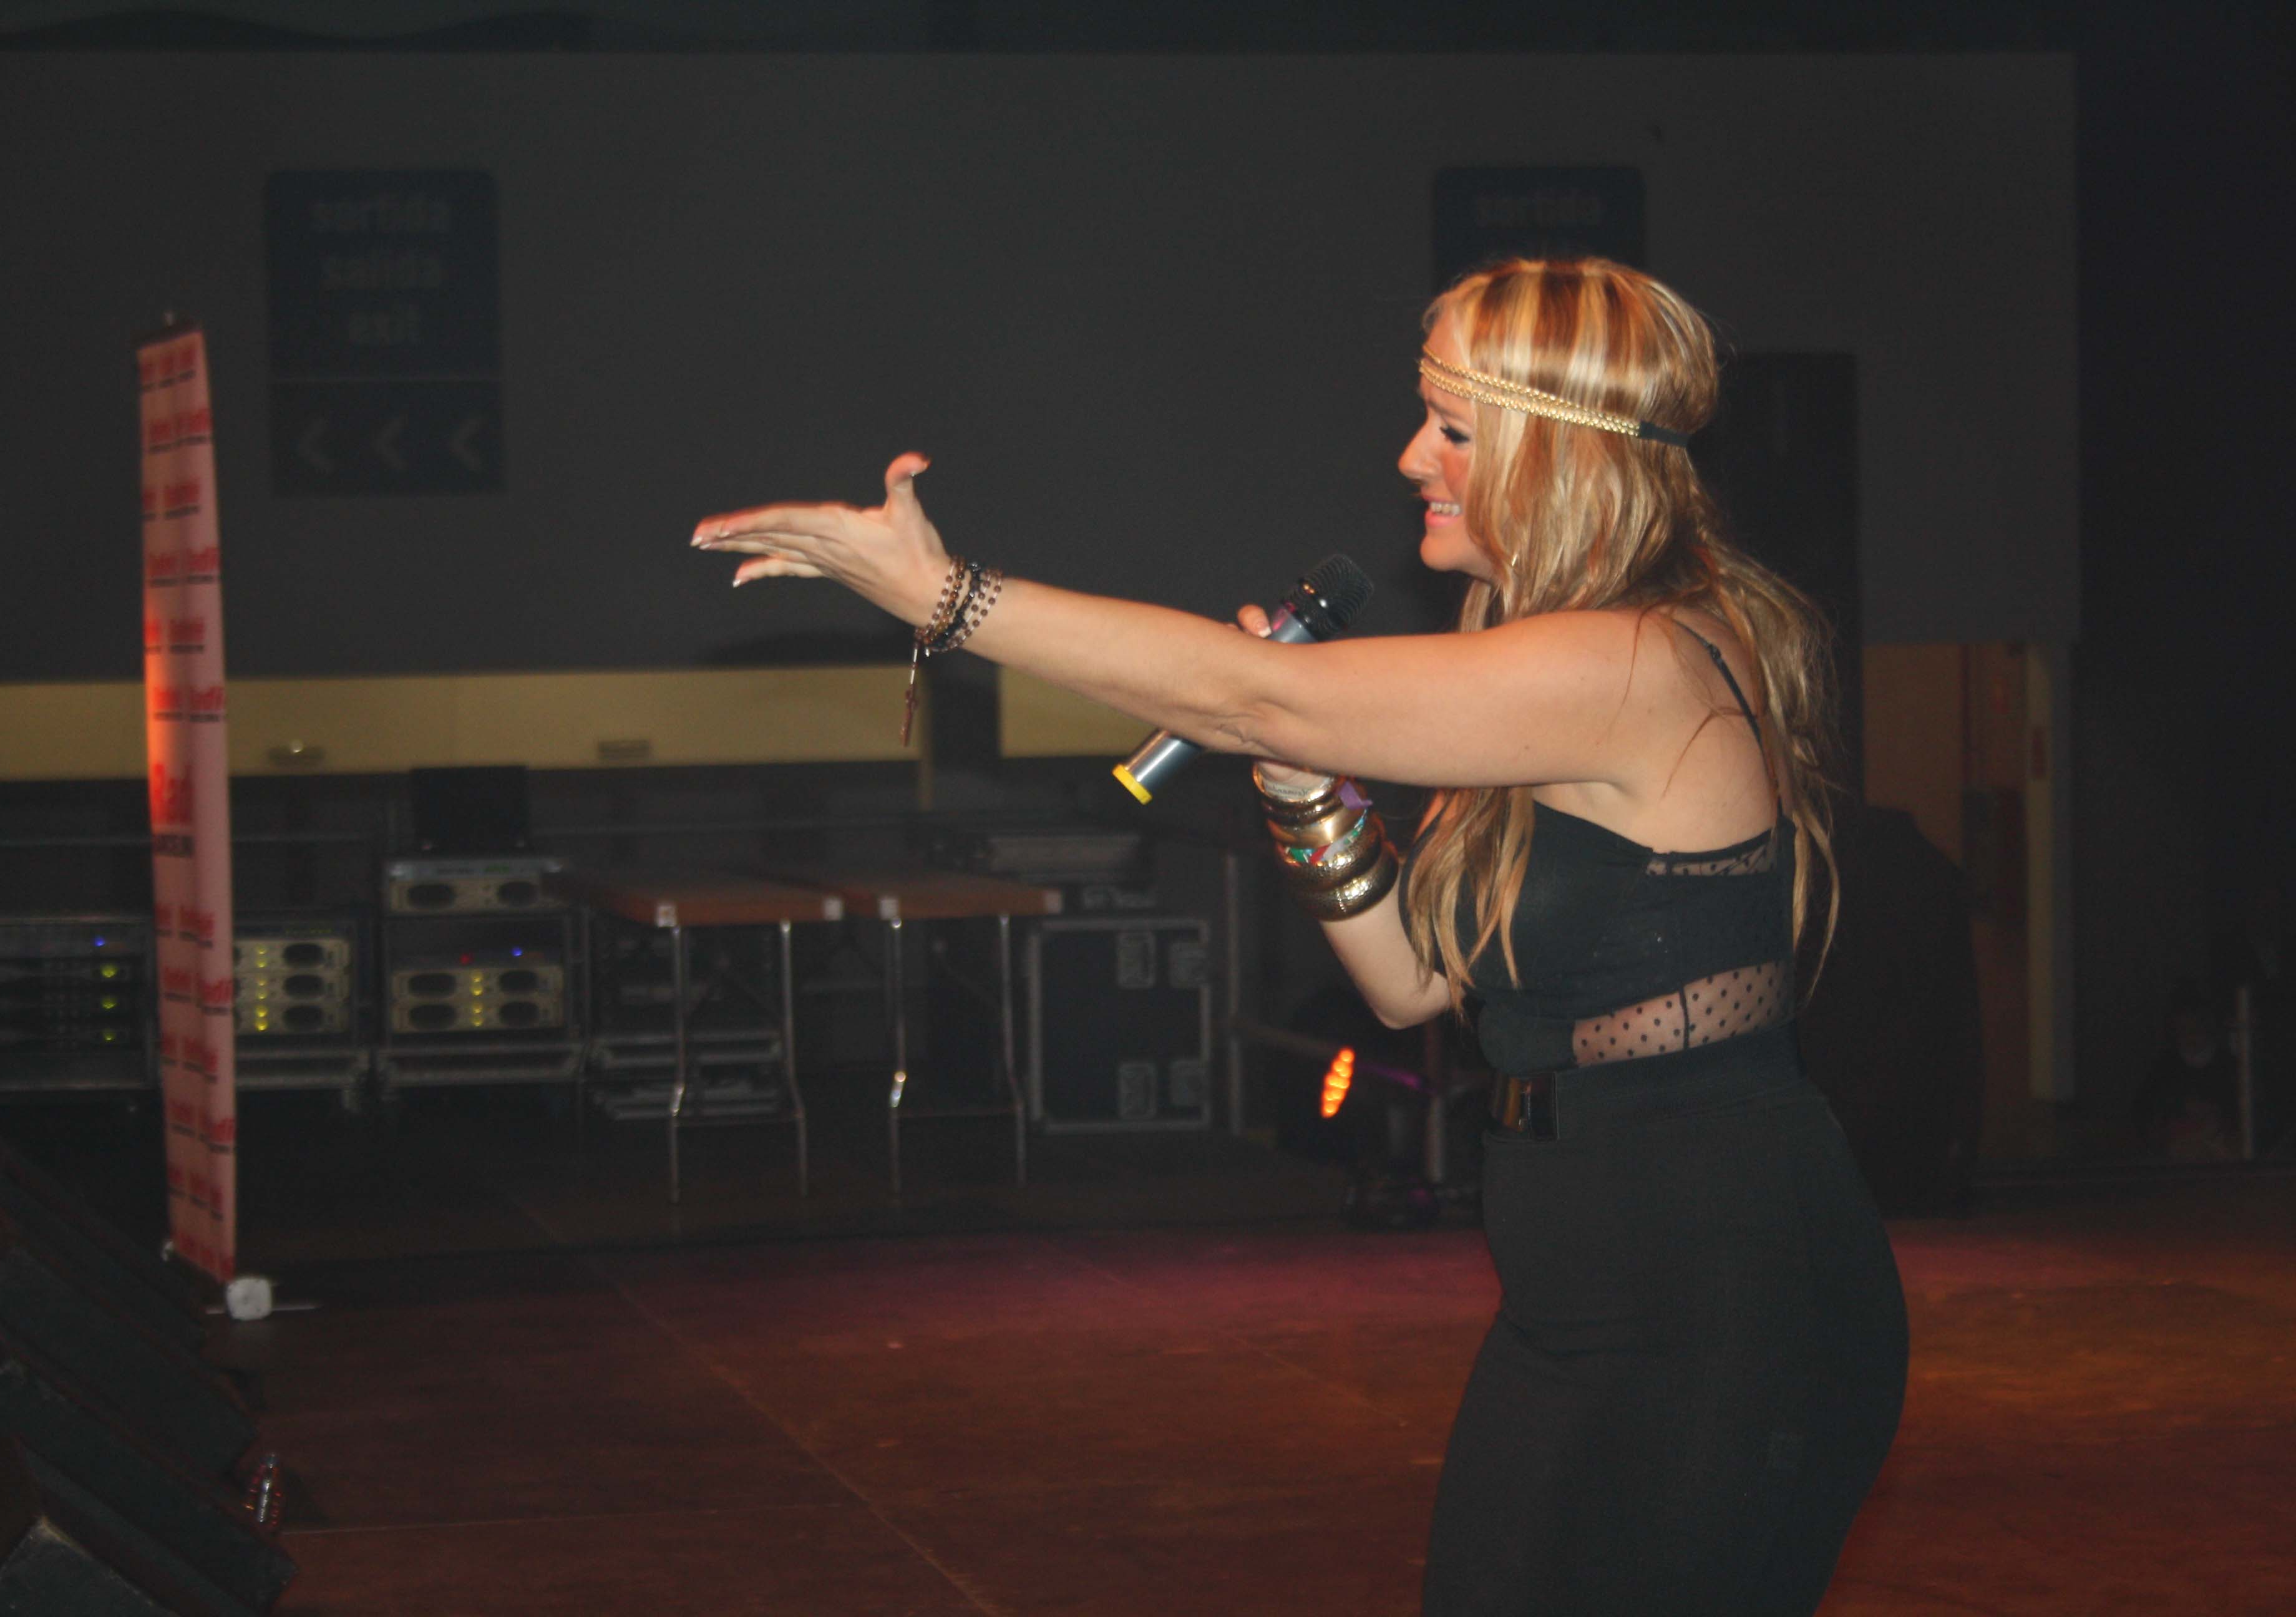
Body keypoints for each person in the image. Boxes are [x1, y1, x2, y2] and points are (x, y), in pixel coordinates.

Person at [694, 256, 1909, 1616]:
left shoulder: (1632, 663)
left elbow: (1256, 695)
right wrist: (1299, 783)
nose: (1411, 459)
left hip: (1724, 1289)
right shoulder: (1542, 663)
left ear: (1559, 451)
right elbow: (1408, 983)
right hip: (1585, 1282)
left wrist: (948, 596)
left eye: (1452, 429)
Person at [2134, 976, 2241, 1160]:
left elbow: (2242, 1113)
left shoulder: (2229, 1066)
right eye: (2183, 1030)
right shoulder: (2164, 1068)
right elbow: (2146, 1113)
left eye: (2195, 1029)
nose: (2190, 1037)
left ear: (2207, 1026)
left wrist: (2215, 1115)